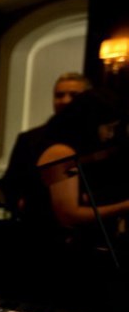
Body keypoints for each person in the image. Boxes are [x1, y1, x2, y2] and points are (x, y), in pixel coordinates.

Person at [34, 89, 129, 245]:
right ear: (92, 123)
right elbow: (68, 214)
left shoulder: (71, 151)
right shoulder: (61, 153)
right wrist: (124, 206)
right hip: (49, 244)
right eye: (108, 128)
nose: (110, 135)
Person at [2, 72, 91, 218]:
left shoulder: (94, 137)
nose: (65, 101)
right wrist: (22, 205)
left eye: (74, 95)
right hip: (38, 226)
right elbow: (10, 184)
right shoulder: (30, 139)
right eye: (59, 95)